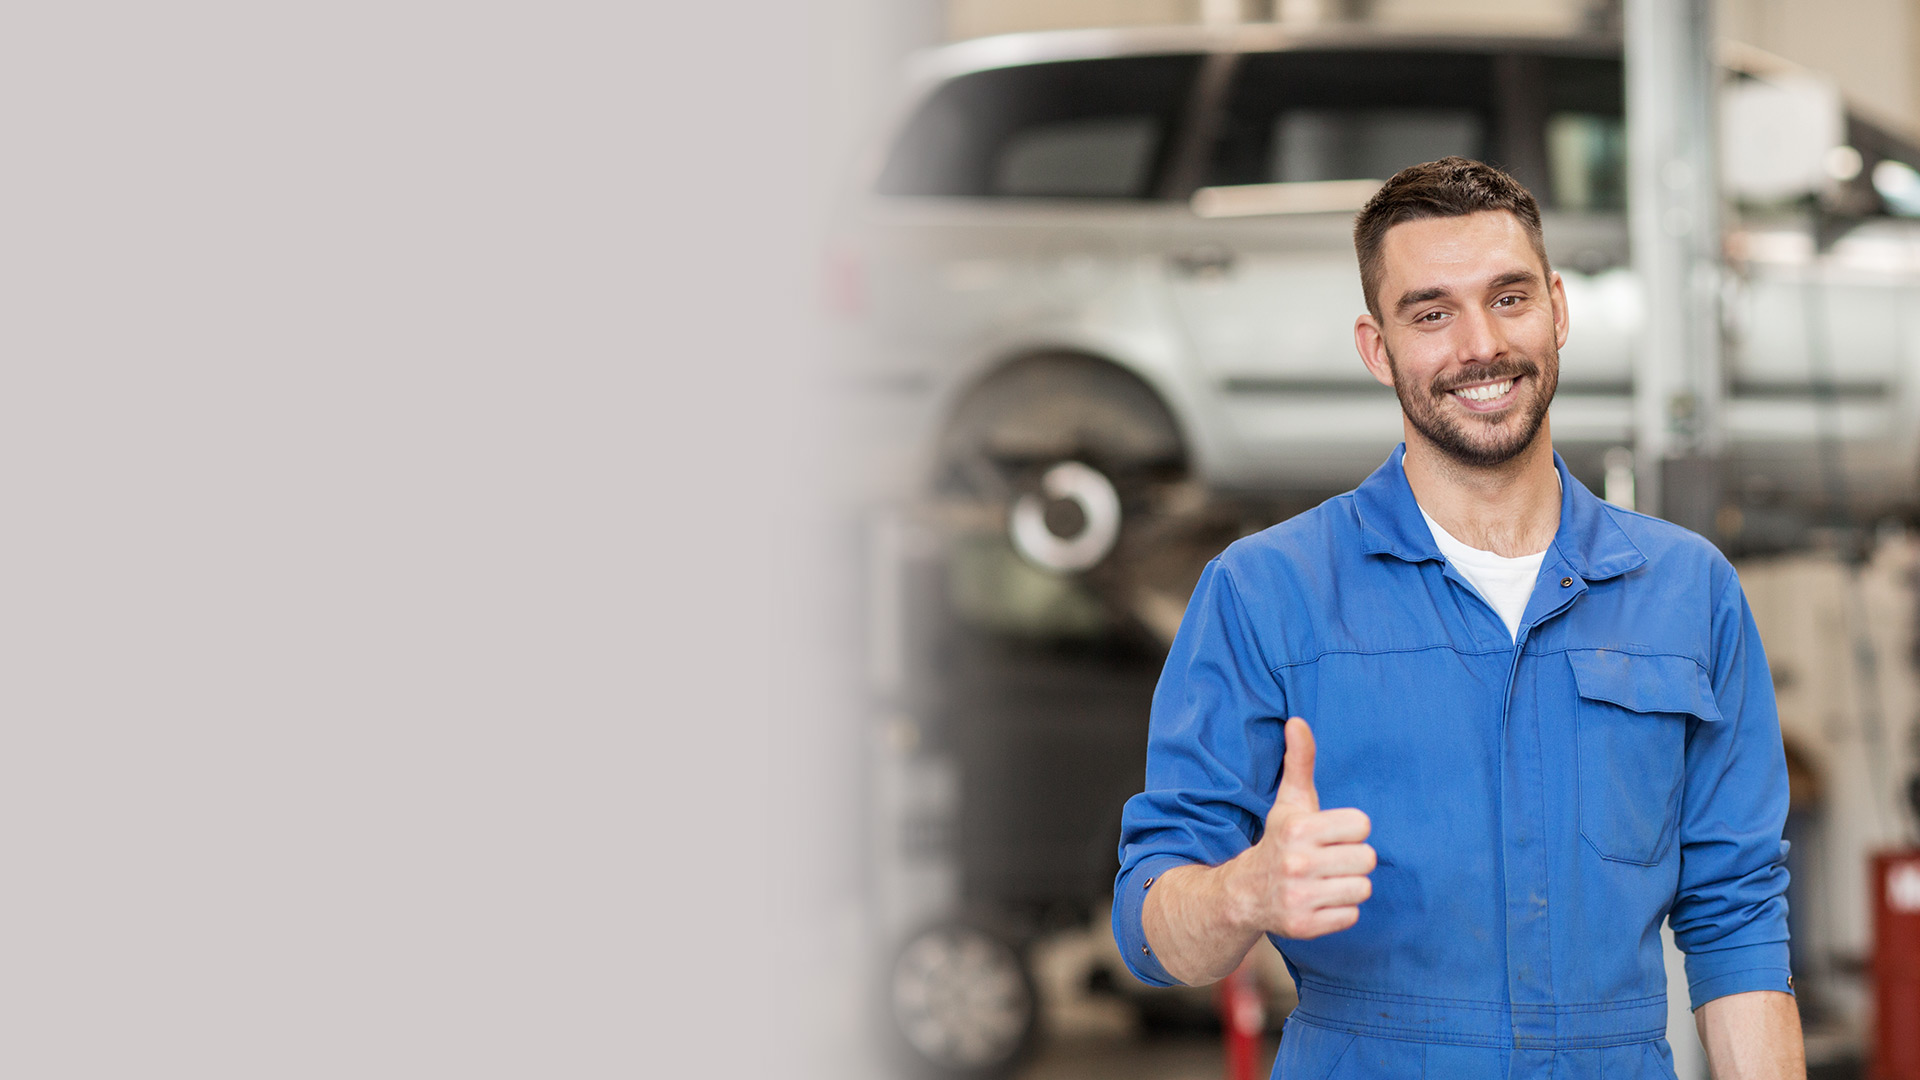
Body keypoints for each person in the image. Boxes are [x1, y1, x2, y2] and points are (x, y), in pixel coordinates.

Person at [1112, 157, 1803, 1078]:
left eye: (1509, 298)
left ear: (1558, 309)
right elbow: (1152, 929)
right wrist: (1243, 892)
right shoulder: (1265, 592)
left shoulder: (1690, 592)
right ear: (1377, 348)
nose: (1480, 345)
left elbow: (1738, 919)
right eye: (1431, 313)